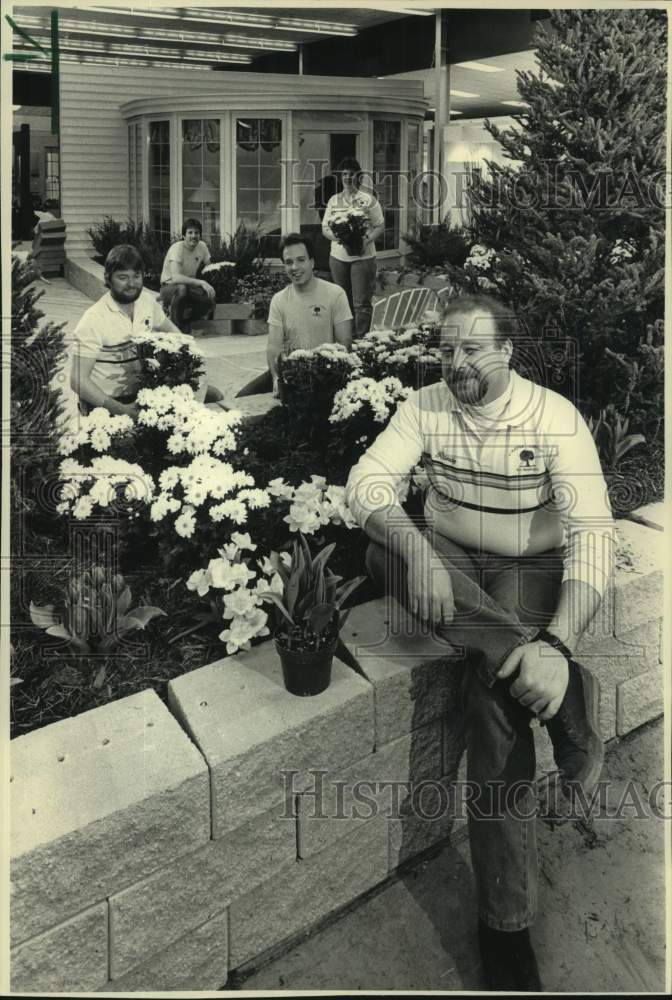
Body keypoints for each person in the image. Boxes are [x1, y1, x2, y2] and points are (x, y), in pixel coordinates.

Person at [345, 293, 614, 992]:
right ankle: (569, 707)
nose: (454, 362)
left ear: (506, 352)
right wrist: (420, 550)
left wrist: (555, 640)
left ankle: (506, 925)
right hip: (449, 559)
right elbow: (366, 482)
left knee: (495, 697)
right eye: (445, 348)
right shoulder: (428, 404)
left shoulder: (554, 417)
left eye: (470, 348)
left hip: (528, 567)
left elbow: (595, 538)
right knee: (384, 553)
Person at [70, 244, 182, 417]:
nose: (132, 284)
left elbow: (175, 335)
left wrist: (181, 373)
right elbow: (77, 380)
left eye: (136, 276)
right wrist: (122, 411)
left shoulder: (146, 301)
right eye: (123, 277)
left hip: (143, 397)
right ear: (108, 278)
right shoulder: (93, 319)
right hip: (104, 406)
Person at [238, 233, 352, 400]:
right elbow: (273, 347)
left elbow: (345, 344)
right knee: (240, 400)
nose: (294, 267)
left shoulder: (335, 294)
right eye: (289, 262)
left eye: (301, 260)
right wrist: (277, 379)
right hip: (291, 373)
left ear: (312, 262)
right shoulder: (279, 300)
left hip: (325, 373)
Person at [322, 157, 385, 337]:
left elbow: (380, 225)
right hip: (339, 258)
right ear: (340, 177)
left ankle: (361, 341)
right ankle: (345, 338)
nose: (348, 178)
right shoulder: (334, 200)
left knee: (361, 303)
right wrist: (336, 237)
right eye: (344, 174)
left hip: (363, 258)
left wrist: (367, 240)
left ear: (359, 177)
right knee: (343, 301)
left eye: (352, 174)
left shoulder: (368, 200)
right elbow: (325, 227)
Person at [159, 218, 215, 332]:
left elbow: (210, 267)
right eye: (190, 232)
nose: (193, 236)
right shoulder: (177, 248)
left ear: (200, 235)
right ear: (184, 235)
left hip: (189, 287)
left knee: (209, 299)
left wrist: (220, 274)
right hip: (169, 287)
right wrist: (201, 282)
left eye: (196, 233)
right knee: (181, 289)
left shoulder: (202, 246)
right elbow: (176, 278)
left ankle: (185, 322)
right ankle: (175, 329)